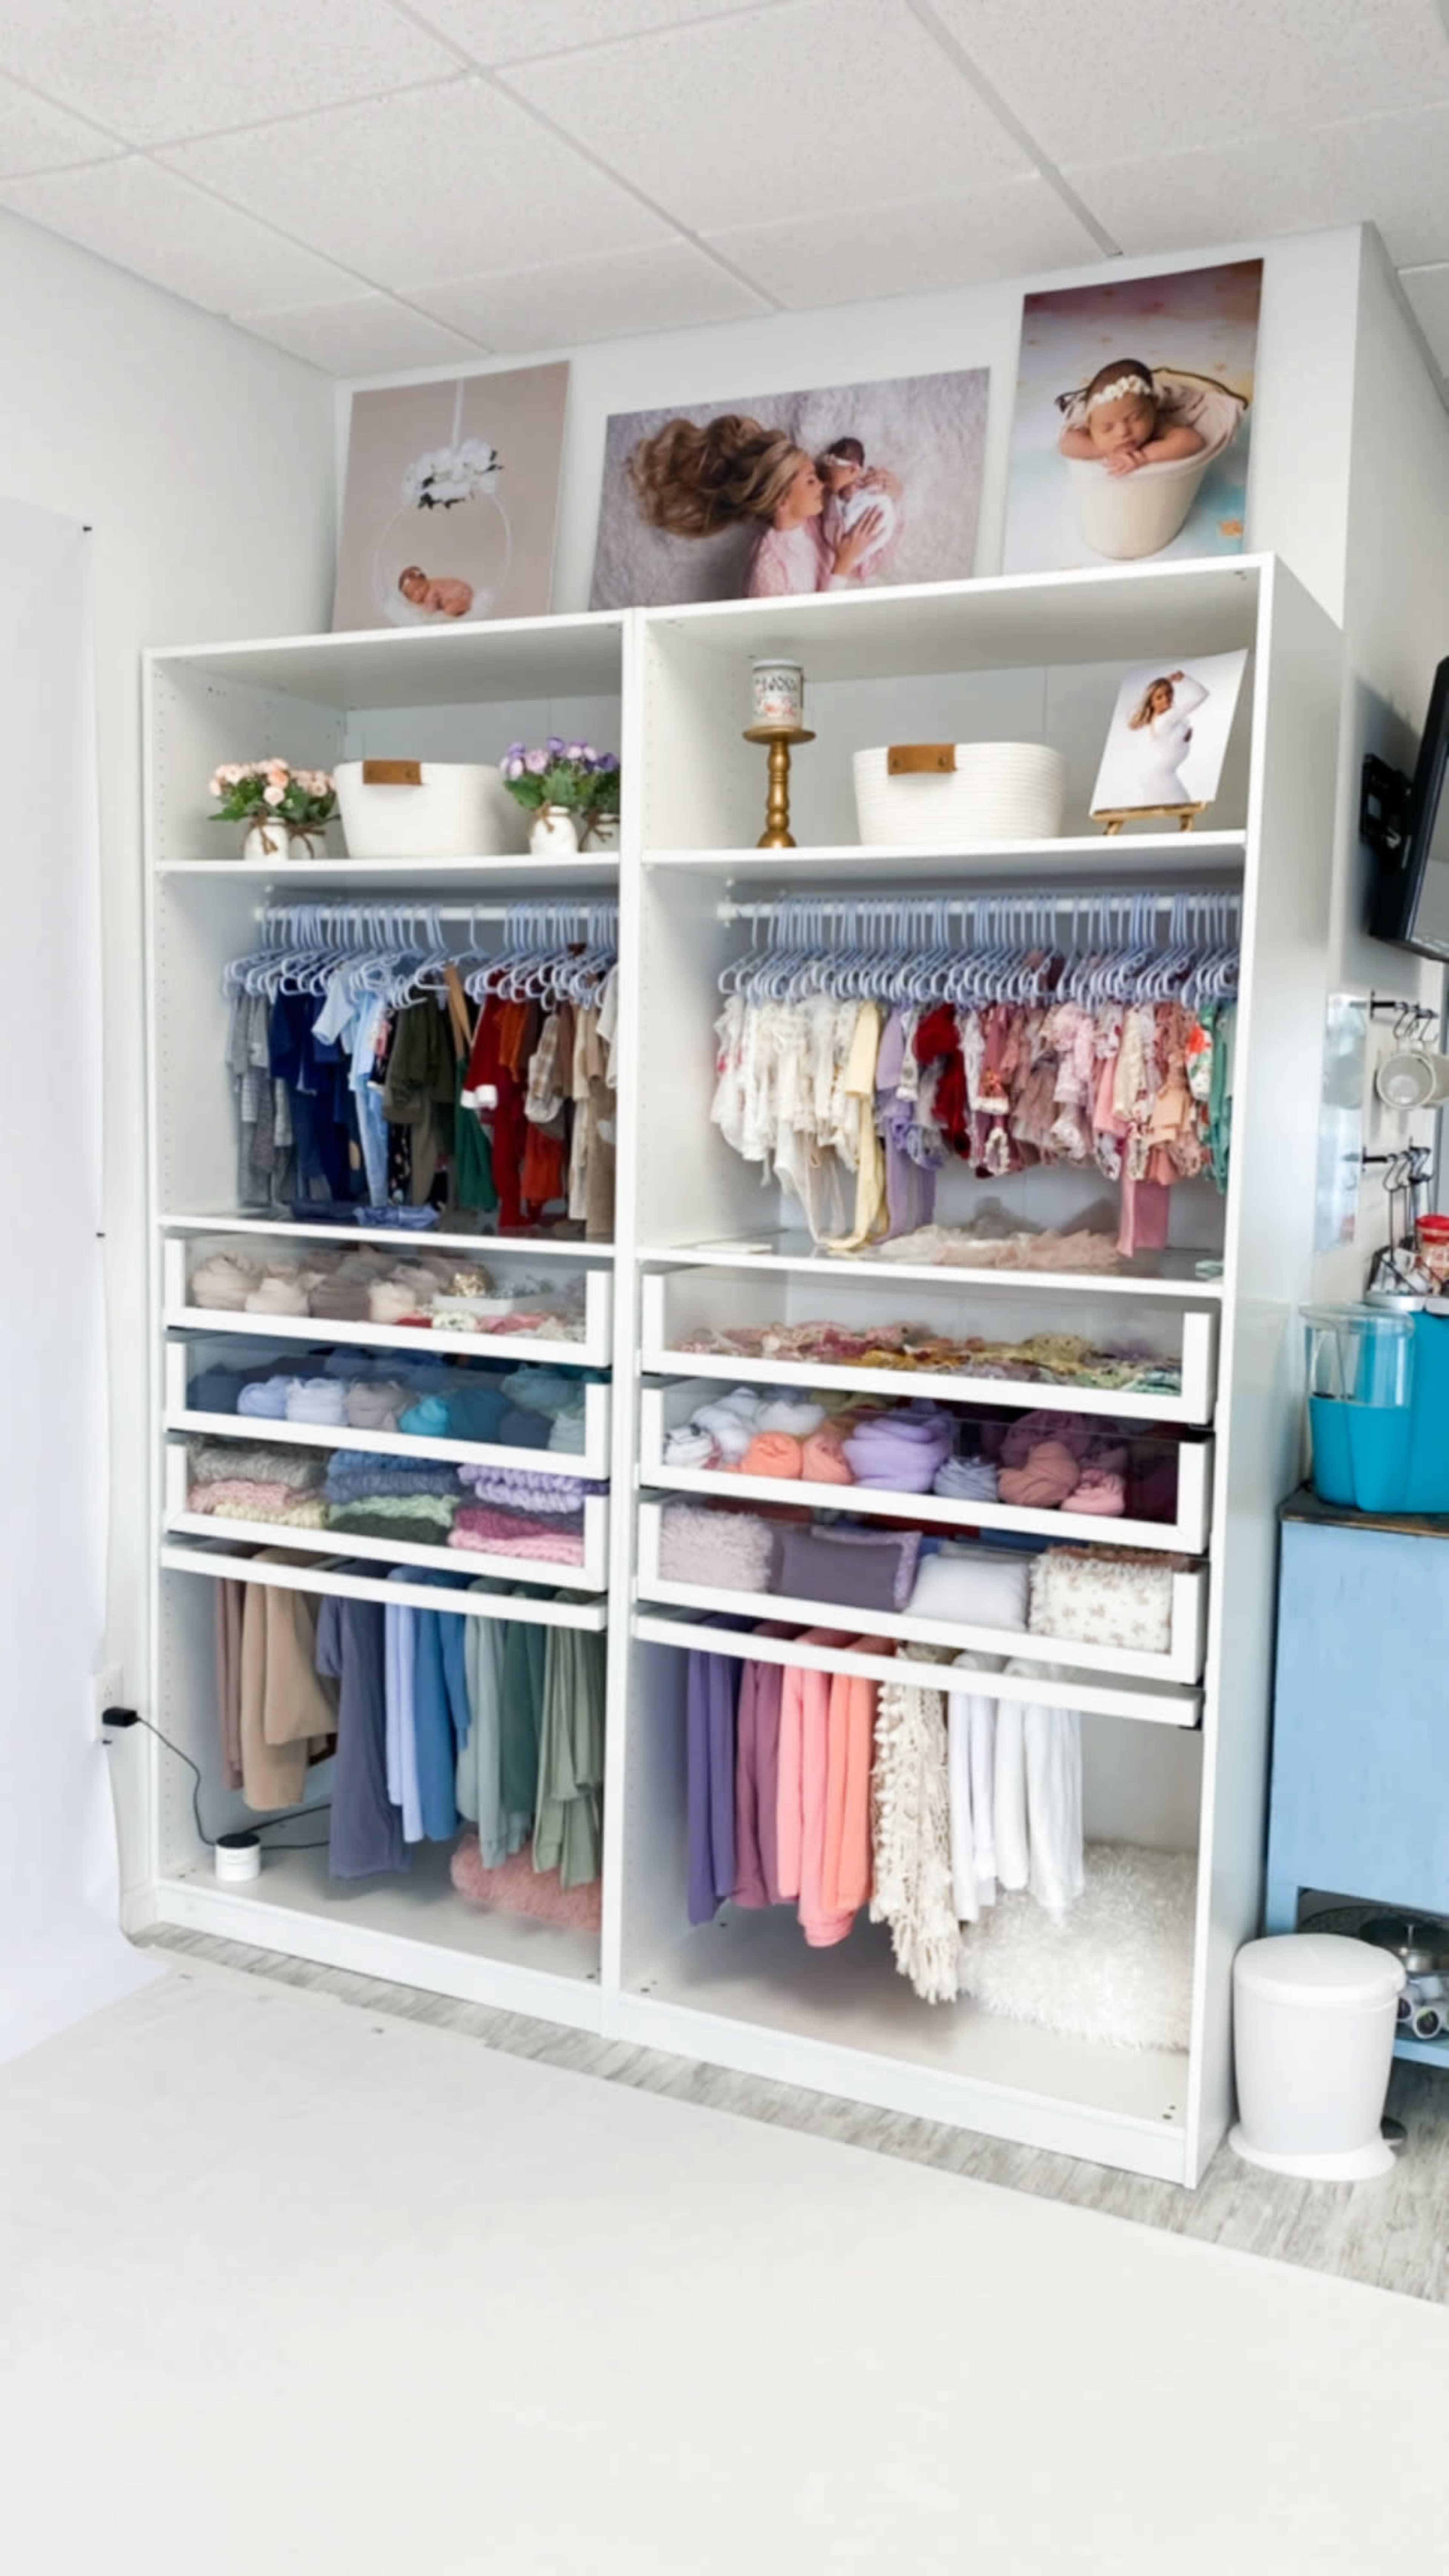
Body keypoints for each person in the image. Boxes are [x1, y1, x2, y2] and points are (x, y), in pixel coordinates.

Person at [627, 413, 888, 596]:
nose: (822, 484)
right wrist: (842, 565)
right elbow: (808, 636)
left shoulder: (811, 518)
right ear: (782, 500)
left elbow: (850, 493)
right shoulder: (767, 571)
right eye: (811, 481)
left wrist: (888, 486)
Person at [1056, 359, 1206, 479]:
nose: (1123, 432)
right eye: (1108, 428)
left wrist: (1144, 457)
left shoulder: (1156, 423)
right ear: (1090, 426)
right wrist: (1105, 452)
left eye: (1135, 418)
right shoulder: (1092, 420)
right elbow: (1067, 444)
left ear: (1153, 406)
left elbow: (1193, 441)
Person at [817, 435, 902, 580]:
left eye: (831, 477)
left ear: (853, 470)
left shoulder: (869, 480)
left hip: (875, 517)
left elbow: (882, 497)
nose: (827, 483)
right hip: (847, 546)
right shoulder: (836, 494)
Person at [1124, 670, 1209, 804]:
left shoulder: (1156, 718)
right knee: (1185, 810)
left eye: (1169, 692)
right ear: (1151, 702)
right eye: (1159, 697)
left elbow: (1168, 746)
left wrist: (1184, 738)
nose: (1166, 699)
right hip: (1161, 776)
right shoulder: (1168, 718)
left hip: (1154, 775)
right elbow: (1202, 695)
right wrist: (1184, 679)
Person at [398, 564, 474, 618]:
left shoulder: (430, 592)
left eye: (419, 587)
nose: (418, 593)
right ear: (409, 599)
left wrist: (428, 612)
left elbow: (431, 612)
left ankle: (466, 607)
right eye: (413, 594)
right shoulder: (431, 585)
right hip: (461, 590)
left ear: (426, 581)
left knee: (449, 611)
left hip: (460, 594)